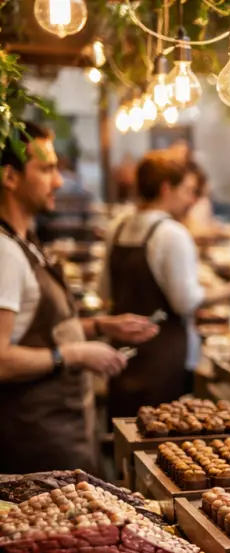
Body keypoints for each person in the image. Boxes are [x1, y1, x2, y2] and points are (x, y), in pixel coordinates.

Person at [0, 122, 155, 473]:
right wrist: (76, 353)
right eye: (46, 169)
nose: (58, 180)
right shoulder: (5, 254)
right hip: (34, 447)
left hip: (60, 432)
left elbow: (37, 327)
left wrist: (101, 325)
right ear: (10, 177)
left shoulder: (26, 243)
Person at [106, 154, 230, 420]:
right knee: (162, 436)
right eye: (187, 191)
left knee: (124, 428)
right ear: (167, 188)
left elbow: (104, 293)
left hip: (121, 352)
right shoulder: (171, 233)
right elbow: (186, 301)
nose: (191, 200)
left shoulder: (118, 226)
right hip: (163, 359)